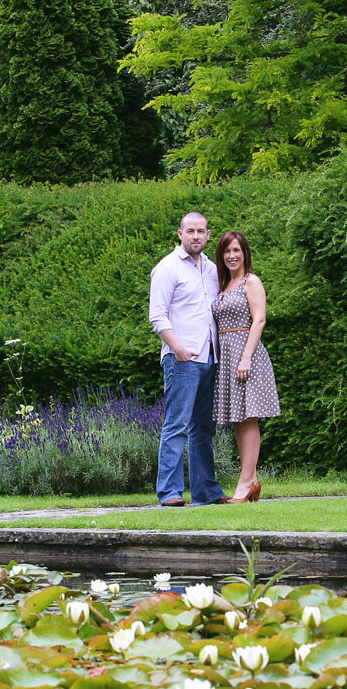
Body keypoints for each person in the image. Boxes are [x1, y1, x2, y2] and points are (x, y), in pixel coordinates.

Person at [147, 211, 227, 507]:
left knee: (204, 428)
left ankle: (206, 491)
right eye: (190, 231)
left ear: (208, 235)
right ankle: (169, 492)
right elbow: (157, 315)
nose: (196, 236)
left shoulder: (210, 268)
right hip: (182, 358)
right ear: (180, 234)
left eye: (201, 231)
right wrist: (178, 348)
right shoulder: (167, 268)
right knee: (177, 424)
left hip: (209, 356)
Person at [211, 230, 280, 503]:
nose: (232, 256)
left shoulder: (251, 282)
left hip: (246, 356)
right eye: (227, 251)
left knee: (248, 418)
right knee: (238, 421)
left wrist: (246, 357)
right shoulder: (225, 285)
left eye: (237, 250)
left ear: (245, 253)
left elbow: (259, 320)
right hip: (227, 357)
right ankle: (250, 480)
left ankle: (245, 482)